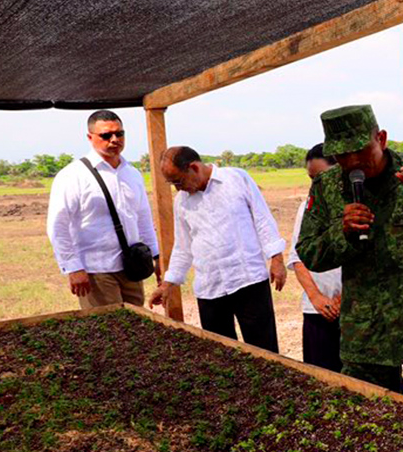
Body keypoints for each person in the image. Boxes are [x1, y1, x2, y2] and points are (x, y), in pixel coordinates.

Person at [296, 105, 403, 400]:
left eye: (360, 150)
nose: (352, 162)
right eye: (341, 155)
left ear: (381, 138)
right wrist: (343, 233)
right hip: (365, 335)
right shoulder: (326, 186)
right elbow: (309, 252)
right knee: (372, 425)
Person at [148, 146, 287, 352]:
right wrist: (168, 284)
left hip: (248, 281)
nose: (178, 189)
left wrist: (276, 259)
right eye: (173, 184)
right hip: (210, 288)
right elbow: (183, 247)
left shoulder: (237, 179)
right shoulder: (182, 203)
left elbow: (263, 219)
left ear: (194, 167)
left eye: (179, 181)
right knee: (220, 354)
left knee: (264, 350)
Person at [47, 110, 161, 308]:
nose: (114, 140)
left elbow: (143, 219)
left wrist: (157, 256)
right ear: (90, 137)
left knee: (137, 328)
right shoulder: (73, 176)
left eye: (119, 134)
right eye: (106, 135)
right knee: (109, 331)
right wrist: (73, 267)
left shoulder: (132, 173)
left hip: (131, 267)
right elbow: (58, 225)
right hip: (96, 270)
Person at [286, 144, 343, 372]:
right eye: (311, 178)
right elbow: (297, 256)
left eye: (320, 177)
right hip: (317, 309)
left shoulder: (359, 202)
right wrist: (316, 297)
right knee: (321, 376)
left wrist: (345, 296)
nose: (315, 186)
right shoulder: (307, 207)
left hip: (353, 308)